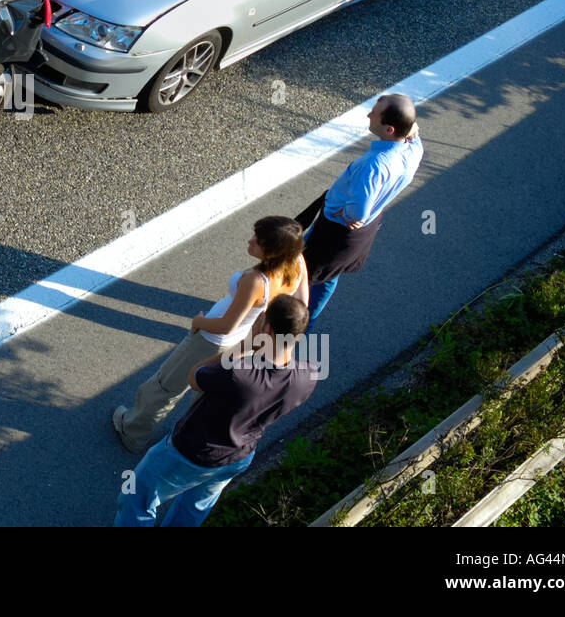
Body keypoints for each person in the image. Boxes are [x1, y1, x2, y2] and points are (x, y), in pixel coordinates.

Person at [114, 294, 318, 527]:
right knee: (192, 509)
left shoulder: (238, 372)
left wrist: (246, 345)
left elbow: (194, 377)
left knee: (136, 496)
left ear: (268, 329)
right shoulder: (308, 376)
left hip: (192, 451)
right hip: (238, 456)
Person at [111, 216, 308, 454]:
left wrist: (198, 322)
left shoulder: (256, 281)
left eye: (258, 241)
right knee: (205, 392)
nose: (250, 240)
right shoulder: (296, 264)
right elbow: (302, 303)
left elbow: (227, 325)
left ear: (273, 251)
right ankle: (183, 435)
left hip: (212, 340)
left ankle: (133, 432)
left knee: (166, 386)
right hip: (242, 342)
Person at [298, 93, 423, 327]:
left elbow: (357, 213)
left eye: (375, 114)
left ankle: (278, 320)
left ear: (390, 130)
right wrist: (412, 129)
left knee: (300, 272)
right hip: (360, 236)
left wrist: (342, 213)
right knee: (328, 276)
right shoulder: (414, 151)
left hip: (333, 233)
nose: (368, 115)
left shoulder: (374, 165)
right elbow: (414, 131)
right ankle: (305, 323)